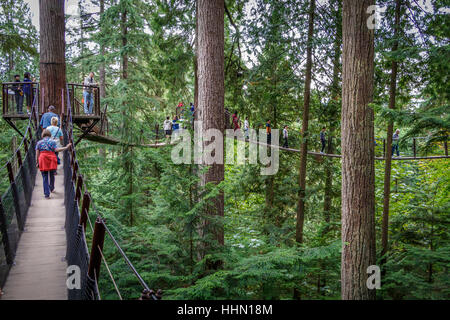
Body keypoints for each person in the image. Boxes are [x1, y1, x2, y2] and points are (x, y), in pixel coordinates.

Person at [35, 129, 71, 199]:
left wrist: (37, 162)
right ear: (49, 135)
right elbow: (56, 150)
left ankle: (46, 194)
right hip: (51, 158)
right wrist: (66, 147)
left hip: (43, 159)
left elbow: (37, 153)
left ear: (42, 135)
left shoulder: (39, 143)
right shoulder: (53, 142)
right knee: (52, 174)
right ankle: (51, 188)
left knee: (45, 177)